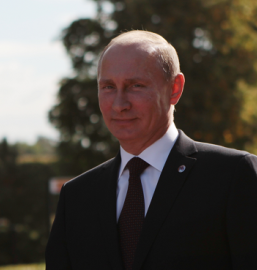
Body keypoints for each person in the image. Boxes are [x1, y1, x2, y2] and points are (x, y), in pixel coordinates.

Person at [45, 30, 257, 270]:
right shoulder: (76, 197)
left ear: (175, 88)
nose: (119, 104)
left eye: (136, 85)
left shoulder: (233, 177)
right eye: (108, 87)